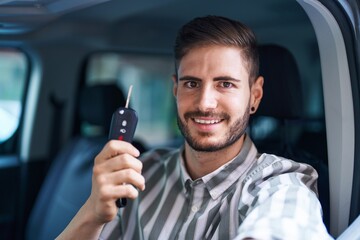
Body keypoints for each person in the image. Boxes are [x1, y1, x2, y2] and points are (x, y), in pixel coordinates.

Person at [57, 15, 332, 240]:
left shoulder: (281, 184)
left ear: (255, 96)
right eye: (192, 83)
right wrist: (93, 211)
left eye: (225, 84)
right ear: (175, 89)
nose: (205, 103)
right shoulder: (140, 170)